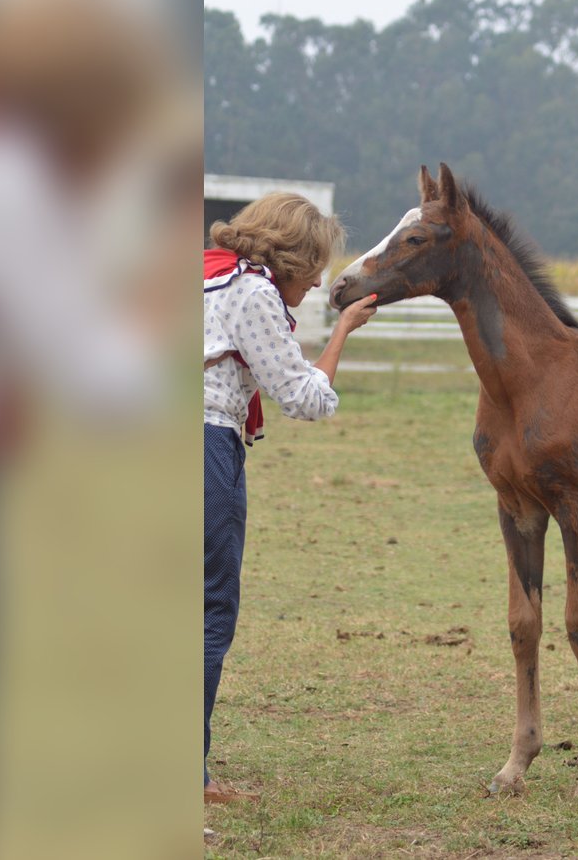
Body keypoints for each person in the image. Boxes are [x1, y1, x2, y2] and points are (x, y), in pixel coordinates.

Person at [203, 192, 376, 803]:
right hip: (203, 446)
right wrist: (344, 333)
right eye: (317, 263)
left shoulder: (203, 276)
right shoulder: (253, 293)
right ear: (293, 257)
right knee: (207, 611)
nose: (320, 277)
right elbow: (305, 397)